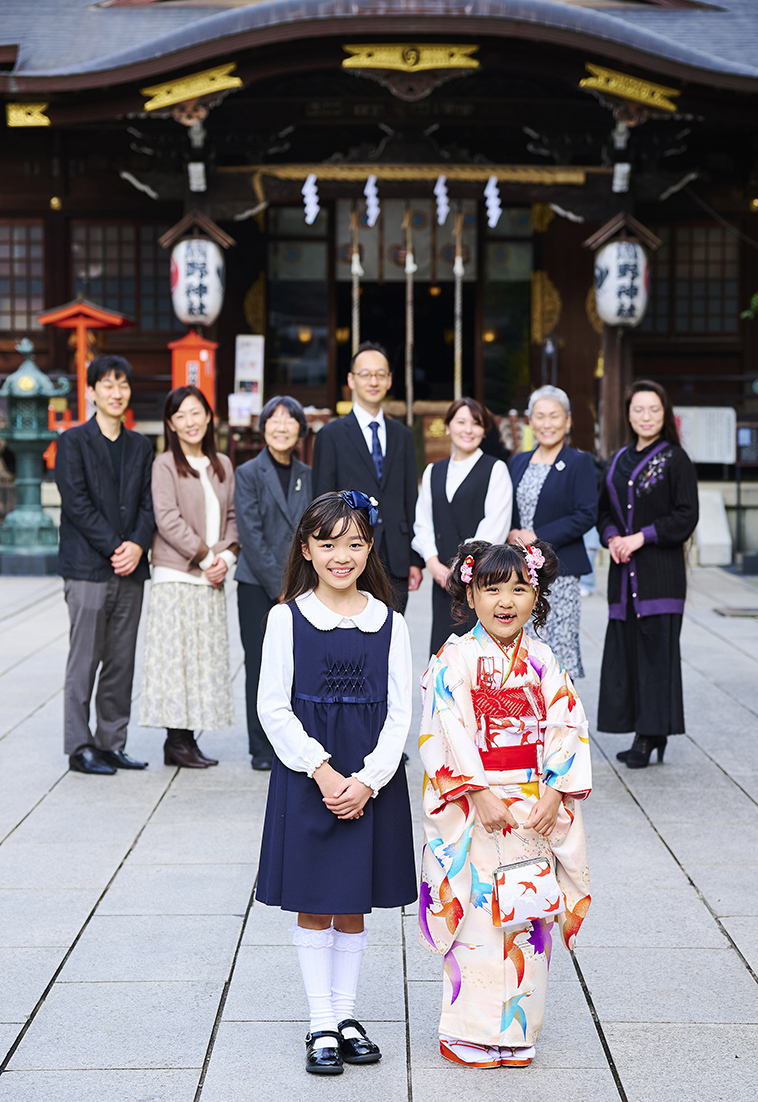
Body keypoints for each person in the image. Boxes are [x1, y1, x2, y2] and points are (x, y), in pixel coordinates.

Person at [256, 490, 417, 1075]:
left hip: (370, 778)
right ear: (307, 549)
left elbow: (401, 714)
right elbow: (273, 707)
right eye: (327, 545)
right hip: (309, 776)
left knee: (352, 902)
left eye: (354, 543)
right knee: (313, 898)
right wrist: (322, 771)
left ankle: (346, 1015)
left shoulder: (390, 623)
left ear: (369, 546)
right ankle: (319, 1019)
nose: (341, 556)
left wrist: (370, 780)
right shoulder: (286, 617)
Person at [418, 538, 592, 1069]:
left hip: (534, 807)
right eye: (492, 588)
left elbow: (568, 723)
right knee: (476, 918)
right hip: (476, 808)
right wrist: (475, 790)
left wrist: (557, 792)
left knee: (527, 915)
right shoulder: (456, 657)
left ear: (534, 595)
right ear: (470, 595)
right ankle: (466, 1031)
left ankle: (516, 1032)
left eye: (520, 588)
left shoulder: (542, 659)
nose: (506, 600)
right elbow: (444, 725)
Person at [55, 354, 154, 775]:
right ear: (91, 391)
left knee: (120, 660)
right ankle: (80, 747)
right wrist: (119, 546)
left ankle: (111, 742)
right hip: (88, 569)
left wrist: (138, 545)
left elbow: (150, 504)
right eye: (107, 385)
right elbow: (75, 502)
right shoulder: (73, 441)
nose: (116, 392)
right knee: (85, 660)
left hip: (130, 568)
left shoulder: (141, 445)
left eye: (123, 385)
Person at [597, 380, 698, 768]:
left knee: (657, 656)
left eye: (653, 410)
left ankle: (649, 736)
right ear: (628, 414)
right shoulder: (618, 458)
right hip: (623, 581)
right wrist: (611, 537)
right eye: (638, 409)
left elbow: (687, 515)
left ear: (665, 413)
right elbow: (603, 511)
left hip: (659, 576)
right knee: (629, 656)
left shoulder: (676, 459)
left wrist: (641, 537)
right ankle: (642, 729)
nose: (645, 417)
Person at [139, 385, 238, 768]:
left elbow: (232, 519)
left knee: (203, 660)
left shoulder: (223, 465)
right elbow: (167, 520)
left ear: (209, 416)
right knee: (176, 660)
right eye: (180, 416)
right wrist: (205, 556)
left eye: (195, 412)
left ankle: (188, 741)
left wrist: (224, 559)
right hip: (176, 575)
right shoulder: (164, 464)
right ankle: (175, 742)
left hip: (212, 575)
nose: (190, 421)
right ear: (171, 424)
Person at [312, 342, 422, 614]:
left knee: (391, 639)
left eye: (380, 374)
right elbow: (321, 501)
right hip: (348, 555)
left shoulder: (403, 435)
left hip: (396, 557)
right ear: (351, 380)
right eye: (365, 374)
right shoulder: (331, 435)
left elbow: (411, 498)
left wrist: (414, 559)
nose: (373, 381)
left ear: (389, 380)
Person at [235, 396, 312, 770]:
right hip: (256, 584)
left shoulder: (309, 475)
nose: (281, 427)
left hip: (301, 584)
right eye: (274, 420)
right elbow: (250, 535)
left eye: (290, 420)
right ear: (263, 427)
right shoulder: (248, 473)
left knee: (297, 664)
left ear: (300, 429)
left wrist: (297, 584)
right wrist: (279, 586)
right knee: (260, 662)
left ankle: (294, 739)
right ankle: (261, 745)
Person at [508, 385, 597, 679]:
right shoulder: (518, 462)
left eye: (554, 416)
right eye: (540, 416)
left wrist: (536, 537)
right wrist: (511, 533)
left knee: (557, 650)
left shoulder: (579, 462)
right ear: (530, 421)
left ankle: (563, 721)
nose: (547, 424)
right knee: (523, 650)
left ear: (568, 420)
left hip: (560, 571)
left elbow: (586, 514)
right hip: (519, 572)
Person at [412, 398, 512, 655]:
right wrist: (434, 565)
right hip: (441, 582)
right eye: (461, 422)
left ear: (484, 430)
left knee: (479, 657)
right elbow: (423, 523)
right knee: (443, 655)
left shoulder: (496, 469)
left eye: (476, 424)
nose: (468, 430)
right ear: (447, 426)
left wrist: (458, 569)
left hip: (480, 581)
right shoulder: (433, 471)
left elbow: (495, 526)